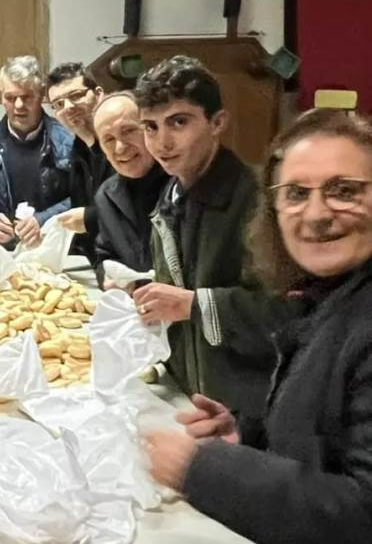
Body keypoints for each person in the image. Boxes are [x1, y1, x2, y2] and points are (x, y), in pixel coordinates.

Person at [144, 109, 372, 544]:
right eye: (296, 194)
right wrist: (248, 435)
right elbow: (330, 436)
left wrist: (203, 469)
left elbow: (361, 512)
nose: (317, 213)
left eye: (344, 190)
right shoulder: (327, 297)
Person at [131, 55, 289, 418]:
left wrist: (193, 305)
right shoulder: (169, 199)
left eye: (179, 122)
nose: (162, 142)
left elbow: (287, 316)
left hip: (253, 413)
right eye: (150, 127)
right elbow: (185, 282)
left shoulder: (259, 202)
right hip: (191, 401)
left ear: (217, 122)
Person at [0, 55, 77, 248]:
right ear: (1, 97)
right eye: (11, 98)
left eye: (27, 96)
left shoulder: (68, 141)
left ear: (41, 95)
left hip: (52, 247)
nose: (19, 106)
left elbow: (81, 198)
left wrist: (43, 219)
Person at [90, 91, 169, 287]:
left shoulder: (180, 184)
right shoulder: (107, 196)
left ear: (150, 130)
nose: (120, 148)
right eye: (108, 139)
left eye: (128, 131)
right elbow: (105, 255)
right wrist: (106, 277)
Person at [45, 62, 114, 260]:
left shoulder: (122, 147)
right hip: (100, 260)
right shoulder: (78, 151)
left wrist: (88, 219)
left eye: (76, 96)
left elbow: (138, 209)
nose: (68, 107)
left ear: (98, 94)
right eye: (58, 104)